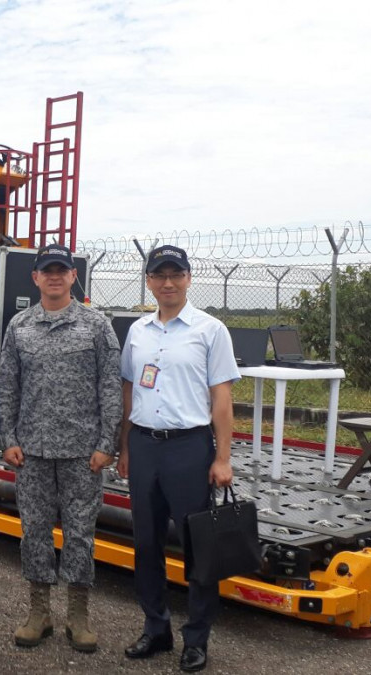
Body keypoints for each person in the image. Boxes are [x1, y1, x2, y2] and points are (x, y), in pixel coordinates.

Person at [0, 244, 122, 652]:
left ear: (72, 276)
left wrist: (107, 445)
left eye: (61, 270)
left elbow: (110, 388)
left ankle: (78, 616)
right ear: (35, 278)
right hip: (30, 452)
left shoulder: (96, 325)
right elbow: (7, 387)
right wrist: (7, 440)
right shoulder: (19, 326)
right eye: (46, 270)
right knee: (34, 532)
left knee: (80, 535)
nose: (54, 276)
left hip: (83, 455)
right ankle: (39, 613)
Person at [117, 245, 239, 673]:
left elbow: (222, 399)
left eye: (176, 274)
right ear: (148, 281)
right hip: (146, 447)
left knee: (196, 546)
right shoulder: (138, 331)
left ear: (189, 278)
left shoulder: (210, 330)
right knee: (146, 543)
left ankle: (197, 638)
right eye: (159, 275)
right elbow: (129, 390)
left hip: (189, 447)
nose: (167, 283)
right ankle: (156, 628)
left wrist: (223, 458)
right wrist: (126, 447)